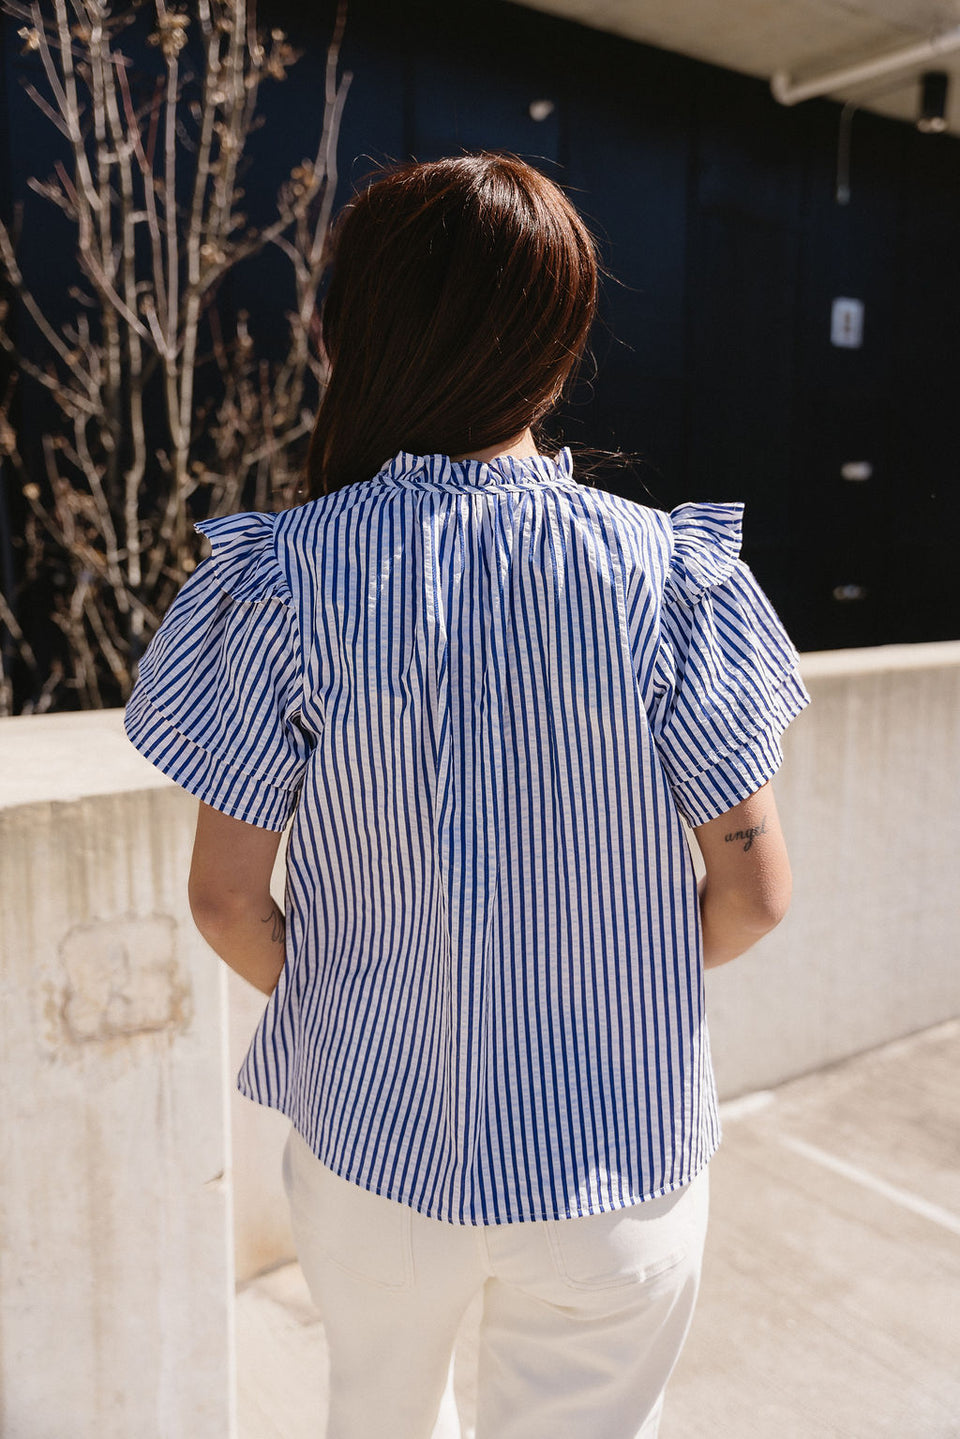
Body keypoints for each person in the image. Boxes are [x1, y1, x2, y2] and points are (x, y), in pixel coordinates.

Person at [124, 150, 811, 1439]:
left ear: (342, 336)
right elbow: (756, 893)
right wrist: (596, 996)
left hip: (376, 1153)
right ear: (564, 345)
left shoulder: (279, 585)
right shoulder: (671, 580)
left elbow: (226, 904)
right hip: (618, 1165)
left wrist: (381, 1002)